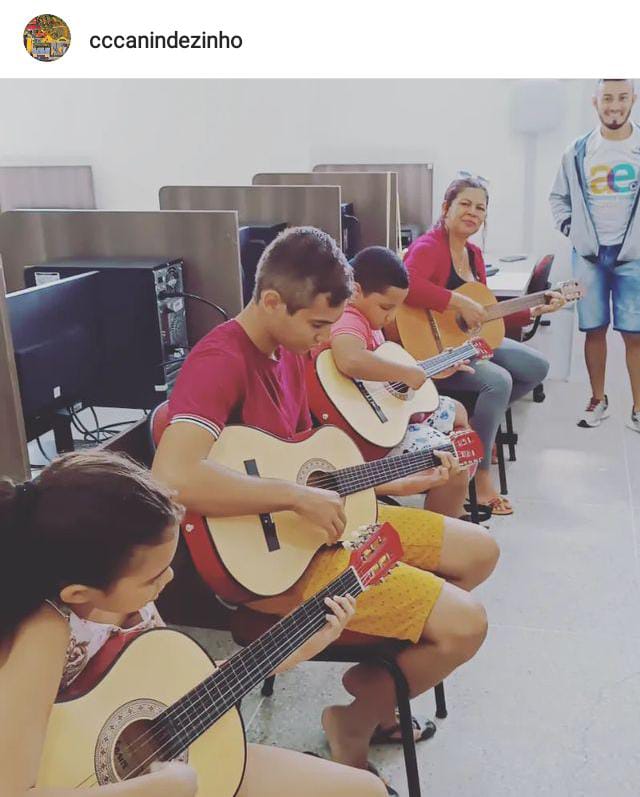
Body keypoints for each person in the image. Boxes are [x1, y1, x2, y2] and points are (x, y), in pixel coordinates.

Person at [152, 227, 499, 786]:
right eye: (317, 325)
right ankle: (356, 720)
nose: (324, 339)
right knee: (466, 626)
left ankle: (378, 681)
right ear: (271, 301)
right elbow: (172, 477)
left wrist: (394, 482)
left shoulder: (289, 351)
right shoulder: (219, 360)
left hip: (320, 526)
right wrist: (294, 495)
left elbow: (309, 462)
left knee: (479, 551)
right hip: (277, 562)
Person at [0, 450, 385, 797]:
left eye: (168, 566)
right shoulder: (43, 633)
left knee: (365, 790)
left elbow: (175, 688)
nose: (167, 580)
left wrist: (292, 652)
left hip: (165, 764)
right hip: (144, 785)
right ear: (78, 593)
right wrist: (159, 788)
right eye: (153, 578)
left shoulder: (118, 594)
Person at [404, 176, 565, 515]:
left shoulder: (474, 254)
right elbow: (406, 285)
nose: (472, 212)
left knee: (537, 367)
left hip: (467, 343)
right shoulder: (429, 247)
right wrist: (456, 301)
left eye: (480, 208)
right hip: (434, 352)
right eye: (465, 204)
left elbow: (486, 314)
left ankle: (478, 432)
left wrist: (533, 310)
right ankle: (479, 474)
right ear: (446, 208)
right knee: (498, 381)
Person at [550, 78, 640, 440]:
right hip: (588, 256)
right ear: (595, 102)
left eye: (622, 97)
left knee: (635, 333)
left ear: (633, 99)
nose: (615, 105)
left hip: (631, 256)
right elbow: (558, 197)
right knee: (594, 330)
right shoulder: (577, 150)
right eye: (607, 98)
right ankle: (597, 400)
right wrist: (570, 228)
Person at [320, 245, 475, 519]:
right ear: (355, 291)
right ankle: (446, 526)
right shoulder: (350, 317)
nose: (390, 317)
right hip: (368, 432)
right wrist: (405, 373)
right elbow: (350, 359)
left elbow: (385, 377)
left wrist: (434, 366)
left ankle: (452, 504)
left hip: (387, 412)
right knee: (456, 462)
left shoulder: (371, 324)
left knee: (460, 414)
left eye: (396, 308)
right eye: (385, 307)